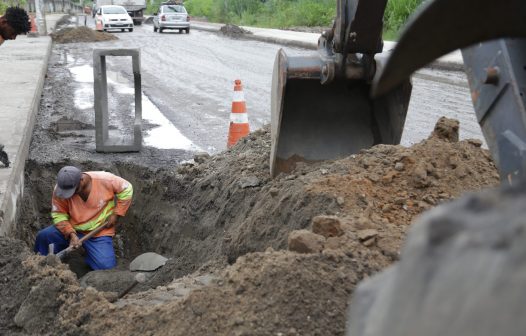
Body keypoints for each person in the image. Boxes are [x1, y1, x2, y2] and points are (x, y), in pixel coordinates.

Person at [34, 166, 133, 270]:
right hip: (72, 228)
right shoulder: (61, 189)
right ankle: (41, 268)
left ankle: (87, 255)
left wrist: (116, 214)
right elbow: (59, 214)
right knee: (44, 236)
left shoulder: (105, 180)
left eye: (73, 191)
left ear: (81, 180)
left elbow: (127, 189)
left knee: (105, 267)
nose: (69, 195)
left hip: (98, 232)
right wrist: (71, 234)